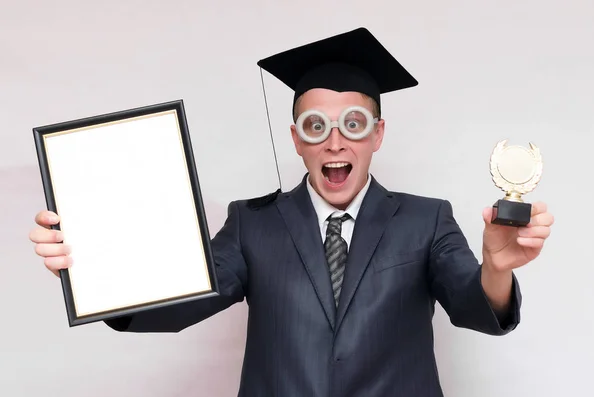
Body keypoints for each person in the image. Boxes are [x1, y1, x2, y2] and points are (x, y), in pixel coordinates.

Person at [29, 27, 554, 396]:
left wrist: (497, 270)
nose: (334, 142)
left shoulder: (425, 220)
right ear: (297, 141)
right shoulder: (252, 225)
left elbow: (473, 305)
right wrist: (91, 269)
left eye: (352, 124)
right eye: (314, 127)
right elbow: (177, 301)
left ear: (376, 134)